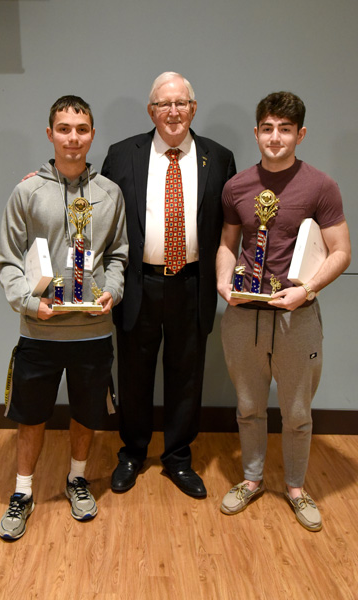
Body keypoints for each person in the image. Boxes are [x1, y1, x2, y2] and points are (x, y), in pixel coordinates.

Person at [216, 91, 351, 531]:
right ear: (257, 132)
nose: (276, 137)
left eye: (286, 129)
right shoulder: (236, 186)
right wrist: (223, 283)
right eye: (268, 128)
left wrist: (307, 288)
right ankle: (252, 479)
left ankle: (295, 487)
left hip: (297, 314)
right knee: (249, 405)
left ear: (301, 134)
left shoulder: (321, 186)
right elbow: (226, 243)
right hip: (244, 315)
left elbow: (341, 252)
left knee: (296, 412)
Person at [0, 95, 128, 540]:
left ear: (92, 134)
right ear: (50, 133)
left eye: (82, 129)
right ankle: (23, 491)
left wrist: (111, 290)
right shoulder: (27, 191)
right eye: (64, 129)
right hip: (41, 328)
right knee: (31, 415)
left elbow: (118, 257)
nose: (74, 137)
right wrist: (31, 304)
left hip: (91, 329)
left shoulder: (109, 194)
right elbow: (8, 262)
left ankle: (76, 479)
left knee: (87, 411)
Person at [101, 72, 236, 498]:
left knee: (186, 375)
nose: (173, 111)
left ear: (194, 108)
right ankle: (133, 453)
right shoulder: (122, 154)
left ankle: (178, 457)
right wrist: (45, 176)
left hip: (190, 284)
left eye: (181, 103)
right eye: (164, 104)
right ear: (151, 111)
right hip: (140, 283)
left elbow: (233, 218)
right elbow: (95, 203)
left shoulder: (219, 156)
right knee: (135, 374)